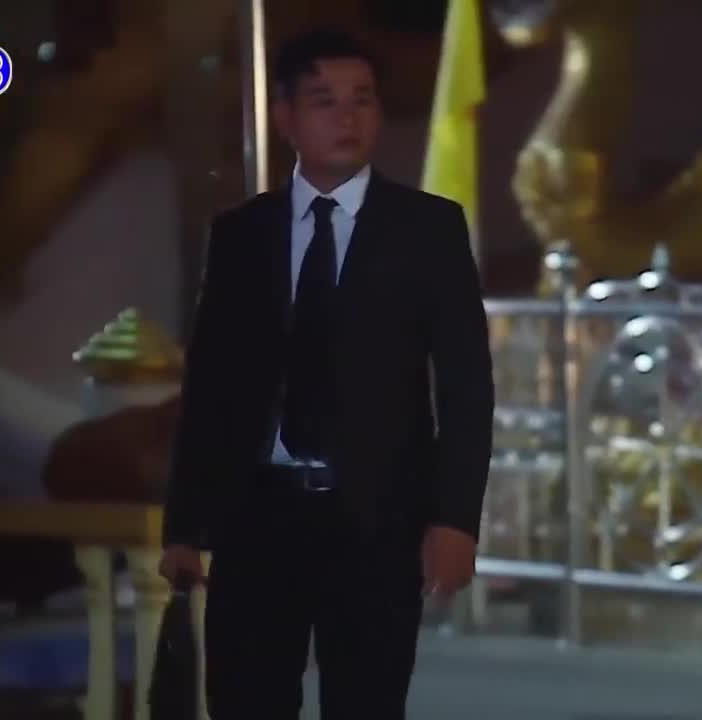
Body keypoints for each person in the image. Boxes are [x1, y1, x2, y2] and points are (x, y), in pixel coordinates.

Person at [158, 28, 495, 719]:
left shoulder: (427, 229)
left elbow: (466, 387)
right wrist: (185, 525)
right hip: (257, 519)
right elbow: (212, 387)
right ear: (285, 116)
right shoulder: (242, 233)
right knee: (246, 701)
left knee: (366, 704)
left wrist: (456, 519)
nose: (347, 118)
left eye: (362, 100)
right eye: (324, 101)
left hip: (377, 522)